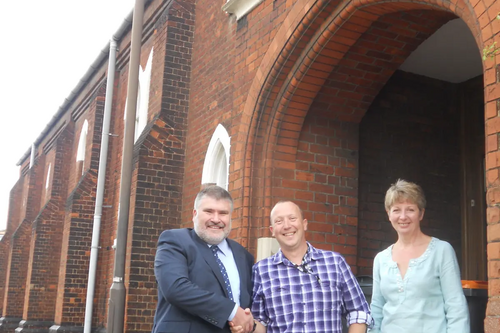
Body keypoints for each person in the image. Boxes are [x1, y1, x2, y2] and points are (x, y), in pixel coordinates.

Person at [231, 200, 373, 333]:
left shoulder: (335, 263)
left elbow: (358, 311)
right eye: (279, 221)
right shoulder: (261, 271)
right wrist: (247, 325)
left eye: (292, 218)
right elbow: (261, 322)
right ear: (272, 230)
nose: (287, 225)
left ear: (304, 224)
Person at [369, 179, 469, 333]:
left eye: (410, 209)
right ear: (389, 214)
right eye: (396, 210)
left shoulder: (441, 251)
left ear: (421, 213)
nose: (403, 216)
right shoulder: (381, 259)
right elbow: (376, 309)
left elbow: (456, 306)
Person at [152, 185, 255, 333]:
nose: (216, 219)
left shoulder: (243, 255)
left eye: (223, 213)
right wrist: (231, 311)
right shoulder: (175, 241)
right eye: (209, 211)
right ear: (194, 214)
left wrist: (246, 324)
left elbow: (247, 305)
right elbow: (175, 288)